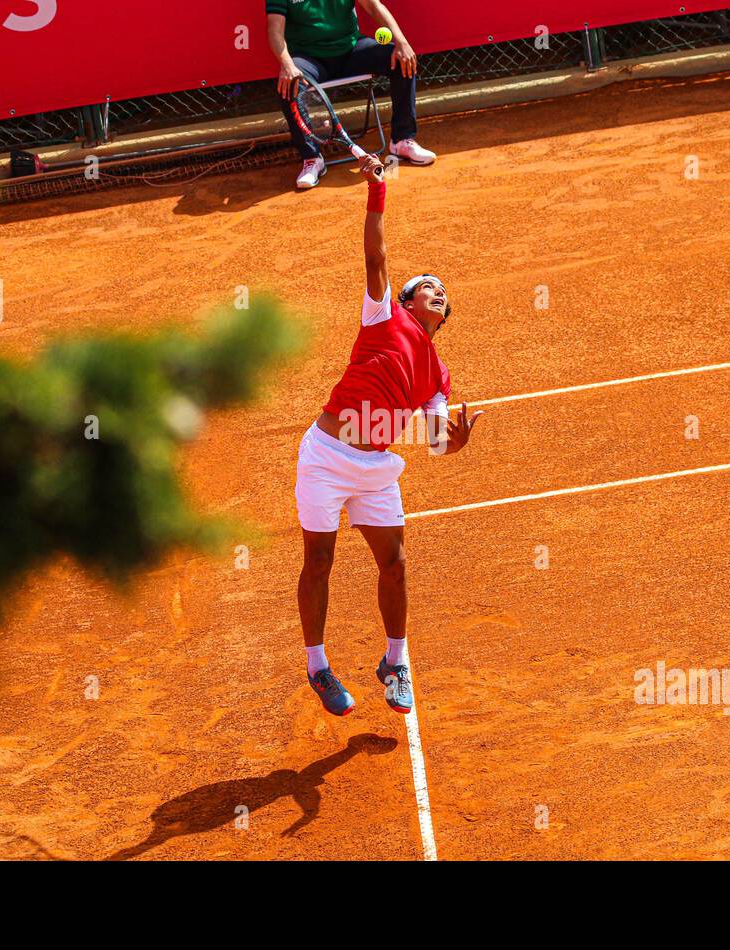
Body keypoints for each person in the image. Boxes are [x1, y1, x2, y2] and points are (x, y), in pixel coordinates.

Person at [294, 155, 483, 716]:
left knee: (395, 563)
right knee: (319, 561)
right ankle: (318, 667)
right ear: (404, 301)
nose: (439, 290)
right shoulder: (381, 316)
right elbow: (375, 253)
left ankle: (395, 660)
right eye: (429, 286)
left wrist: (457, 443)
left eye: (444, 291)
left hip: (375, 467)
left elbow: (433, 442)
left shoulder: (438, 374)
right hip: (327, 455)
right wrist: (377, 191)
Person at [266, 0, 437, 189]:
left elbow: (374, 6)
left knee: (401, 59)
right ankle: (312, 158)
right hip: (309, 59)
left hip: (351, 51)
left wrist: (401, 42)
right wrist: (287, 64)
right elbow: (275, 28)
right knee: (289, 85)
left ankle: (402, 140)